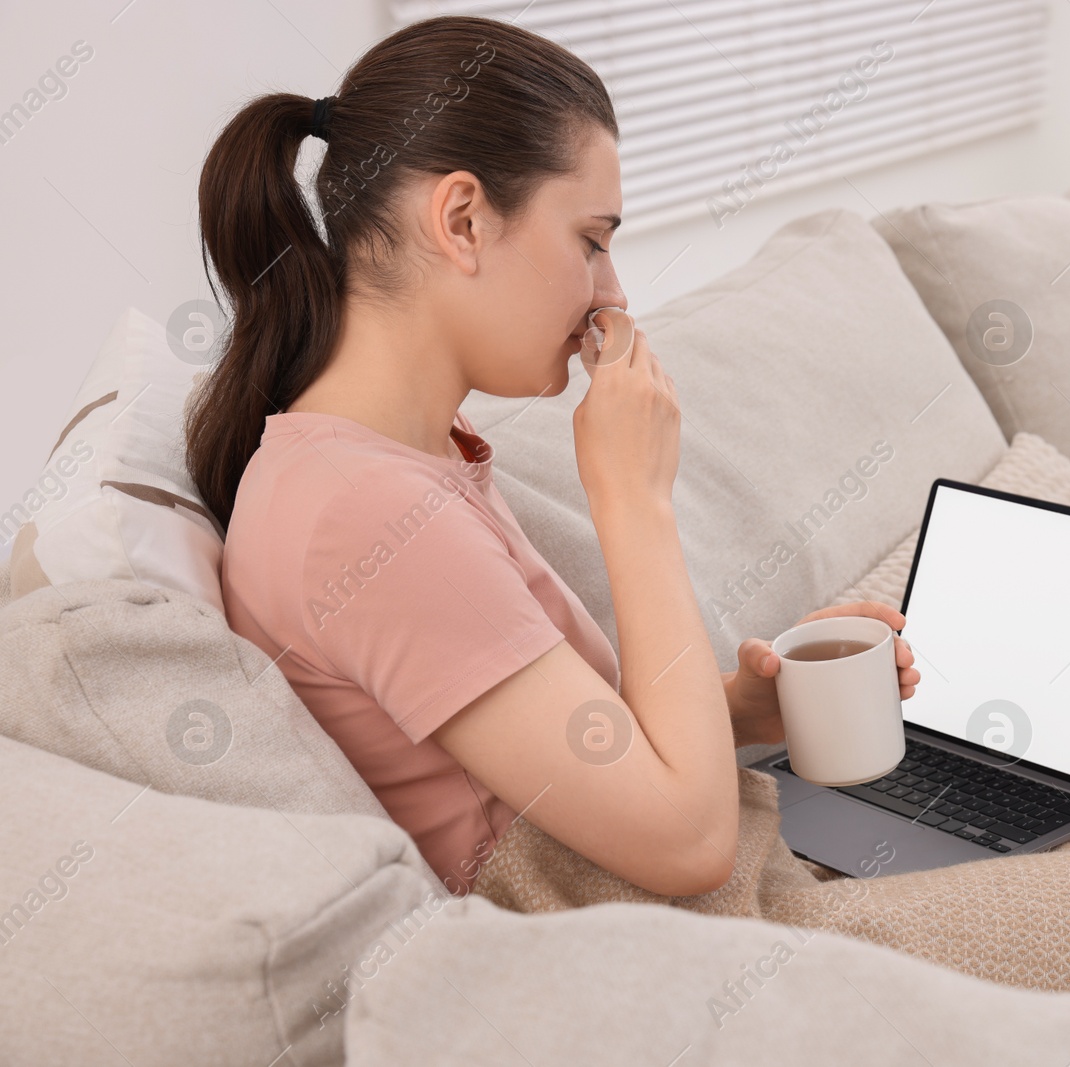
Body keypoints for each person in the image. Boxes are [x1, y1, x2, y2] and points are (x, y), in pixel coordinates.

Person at [189, 14, 919, 899]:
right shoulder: (366, 515)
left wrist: (731, 712)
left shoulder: (400, 464)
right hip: (632, 942)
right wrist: (633, 498)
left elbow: (556, 759)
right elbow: (688, 846)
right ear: (462, 219)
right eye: (591, 239)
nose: (611, 291)